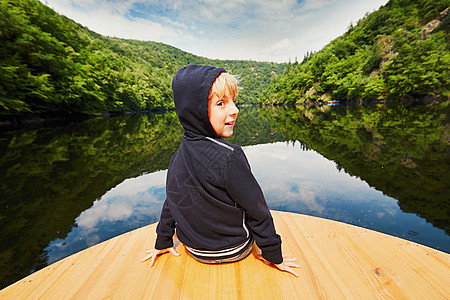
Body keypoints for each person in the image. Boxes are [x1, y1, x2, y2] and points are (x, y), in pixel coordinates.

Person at [141, 64, 299, 276]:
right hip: (234, 250)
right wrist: (273, 254)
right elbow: (256, 210)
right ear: (195, 112)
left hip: (195, 250)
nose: (235, 110)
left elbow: (172, 200)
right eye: (221, 103)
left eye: (234, 101)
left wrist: (163, 241)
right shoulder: (230, 155)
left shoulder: (178, 156)